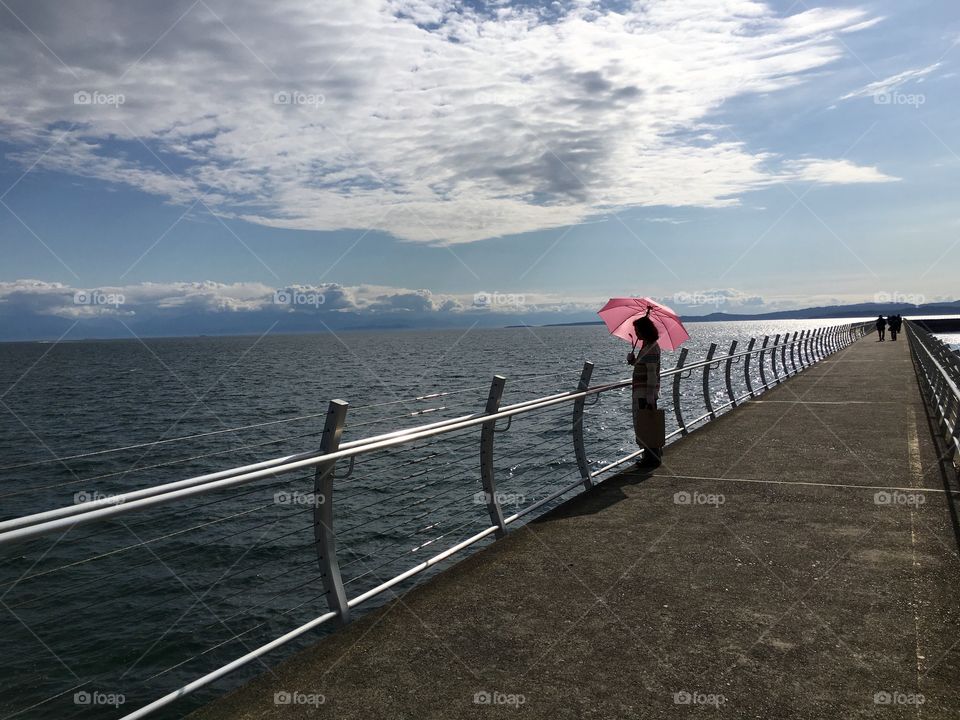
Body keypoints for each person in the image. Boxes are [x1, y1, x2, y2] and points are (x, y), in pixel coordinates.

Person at [627, 313, 662, 467]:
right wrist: (634, 361)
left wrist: (649, 395)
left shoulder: (651, 348)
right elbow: (644, 367)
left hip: (644, 394)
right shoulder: (647, 347)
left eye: (638, 330)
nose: (636, 333)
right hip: (643, 392)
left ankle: (651, 458)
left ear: (644, 330)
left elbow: (651, 373)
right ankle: (652, 454)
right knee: (646, 423)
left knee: (645, 424)